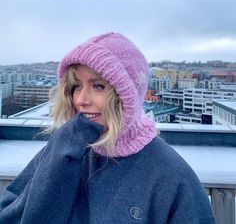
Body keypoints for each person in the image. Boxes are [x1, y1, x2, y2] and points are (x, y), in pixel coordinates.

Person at [0, 32, 215, 223]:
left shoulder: (170, 174)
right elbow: (8, 210)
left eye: (98, 86)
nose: (81, 99)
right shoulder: (64, 147)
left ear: (126, 94)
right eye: (76, 86)